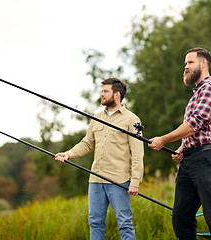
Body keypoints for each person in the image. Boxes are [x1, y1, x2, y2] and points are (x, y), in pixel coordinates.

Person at [148, 47, 211, 240]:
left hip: (207, 160)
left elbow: (196, 123)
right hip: (190, 161)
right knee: (181, 217)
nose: (185, 67)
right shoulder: (196, 94)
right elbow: (194, 131)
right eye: (185, 63)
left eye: (190, 62)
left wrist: (163, 139)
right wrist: (182, 148)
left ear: (203, 63)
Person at [55, 78, 144, 240]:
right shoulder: (96, 117)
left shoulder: (132, 120)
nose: (101, 94)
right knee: (95, 222)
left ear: (116, 95)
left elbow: (138, 153)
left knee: (124, 222)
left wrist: (135, 181)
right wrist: (68, 154)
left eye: (105, 91)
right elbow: (86, 144)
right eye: (101, 91)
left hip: (119, 180)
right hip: (96, 179)